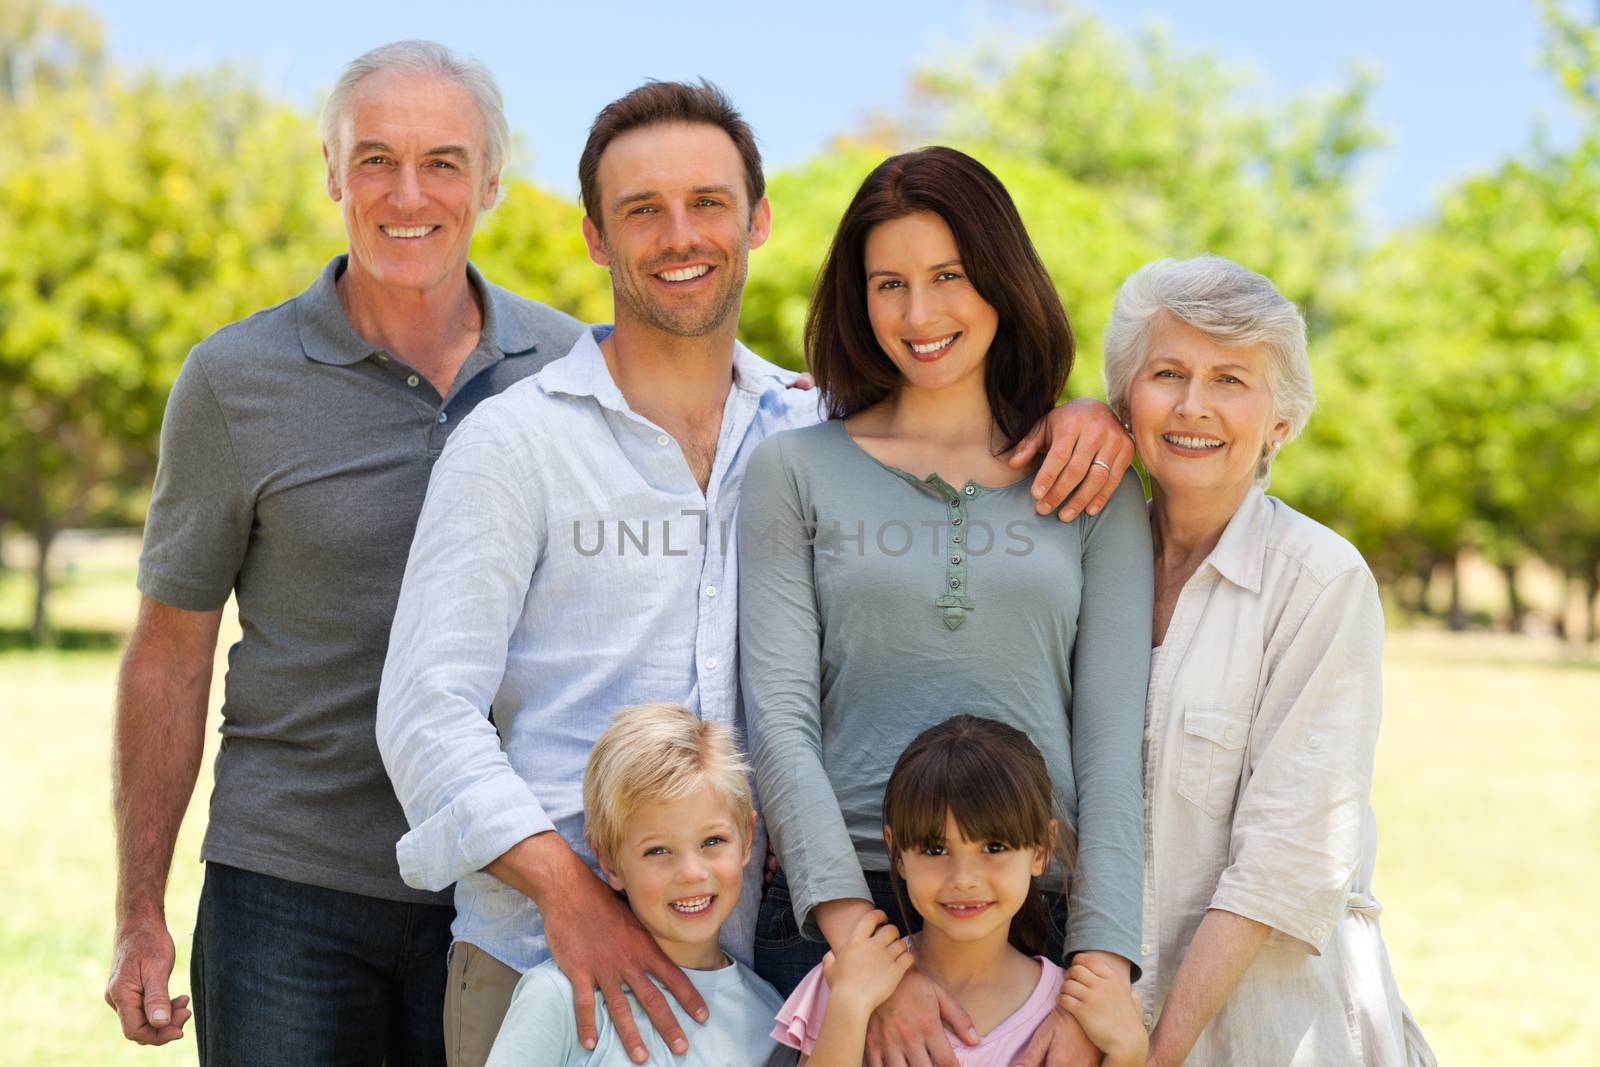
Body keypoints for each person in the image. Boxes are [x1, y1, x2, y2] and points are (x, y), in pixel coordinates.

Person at [376, 86, 1130, 1067]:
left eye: (708, 202)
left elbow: (952, 420)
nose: (679, 234)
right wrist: (573, 896)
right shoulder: (515, 443)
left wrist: (1084, 414)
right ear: (597, 237)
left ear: (758, 220)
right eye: (642, 208)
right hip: (548, 964)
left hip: (759, 968)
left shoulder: (809, 429)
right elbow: (426, 714)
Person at [103, 40, 584, 1065]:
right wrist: (139, 907)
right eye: (374, 159)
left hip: (504, 893)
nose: (407, 193)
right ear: (331, 175)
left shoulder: (572, 368)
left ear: (490, 181)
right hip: (287, 892)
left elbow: (759, 419)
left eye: (443, 161)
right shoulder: (234, 380)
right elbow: (170, 653)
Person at [738, 146, 1152, 1067]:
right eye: (889, 283)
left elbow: (1112, 743)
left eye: (948, 277)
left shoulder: (1091, 480)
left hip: (1029, 915)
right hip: (843, 909)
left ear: (1001, 279)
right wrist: (862, 954)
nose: (919, 314)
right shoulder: (793, 471)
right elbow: (779, 718)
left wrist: (1104, 970)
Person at [1099, 255, 1436, 1066]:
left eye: (1231, 380)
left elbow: (1287, 860)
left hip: (1276, 1031)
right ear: (1124, 402)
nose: (1193, 406)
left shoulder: (1320, 579)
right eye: (1167, 372)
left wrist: (1157, 1049)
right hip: (1100, 1028)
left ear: (1280, 420)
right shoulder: (1082, 562)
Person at [770, 716, 1149, 1067]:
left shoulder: (1079, 1013)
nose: (963, 878)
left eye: (994, 847)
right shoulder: (851, 979)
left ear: (1040, 850)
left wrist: (1128, 1053)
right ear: (896, 850)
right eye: (935, 850)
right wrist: (851, 1006)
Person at [485, 703, 796, 1066]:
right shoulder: (559, 998)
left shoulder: (769, 1014)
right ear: (609, 862)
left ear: (746, 840)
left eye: (712, 841)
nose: (691, 872)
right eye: (658, 850)